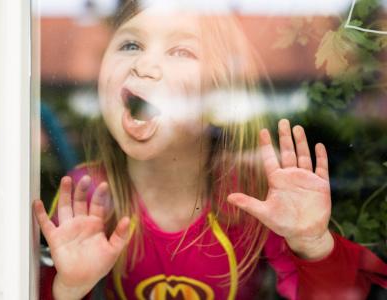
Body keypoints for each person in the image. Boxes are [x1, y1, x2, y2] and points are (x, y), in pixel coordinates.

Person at [34, 0, 387, 299]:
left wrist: (312, 244)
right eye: (130, 45)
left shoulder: (255, 194)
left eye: (181, 51)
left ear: (219, 92)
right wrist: (68, 286)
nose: (143, 65)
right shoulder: (85, 193)